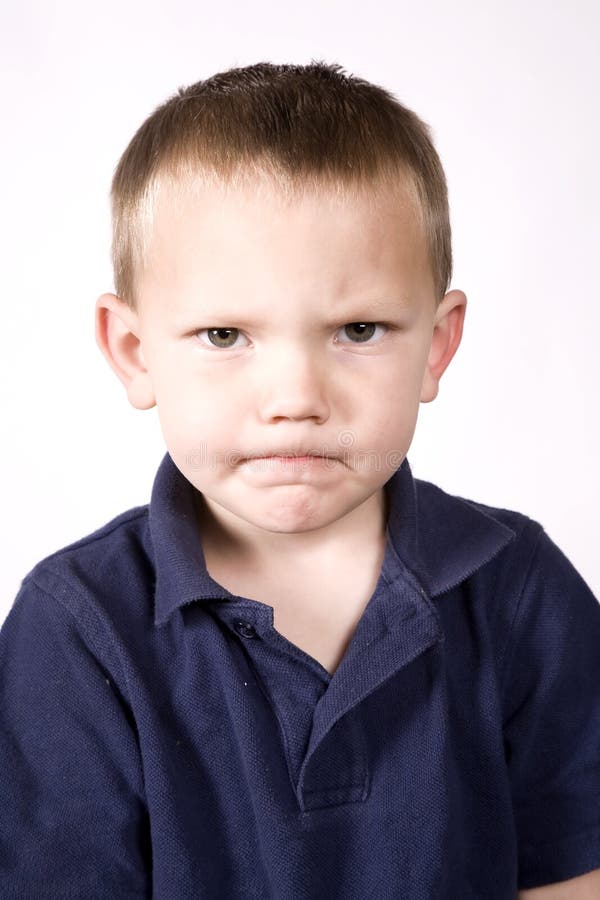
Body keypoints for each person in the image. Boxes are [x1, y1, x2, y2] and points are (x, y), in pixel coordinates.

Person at [1, 61, 599, 900]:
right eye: (223, 335)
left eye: (358, 329)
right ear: (135, 353)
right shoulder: (76, 627)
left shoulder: (519, 585)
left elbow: (574, 872)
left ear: (436, 343)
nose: (295, 400)